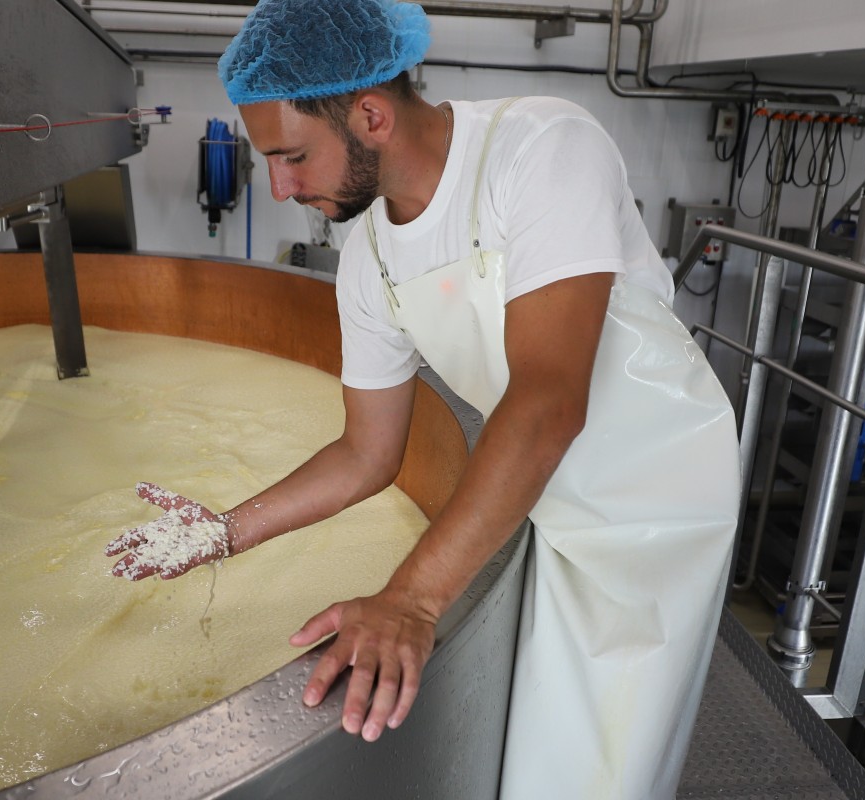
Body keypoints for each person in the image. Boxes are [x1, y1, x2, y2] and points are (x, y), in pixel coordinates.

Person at [105, 0, 739, 796]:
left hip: (651, 499)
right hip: (536, 492)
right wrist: (227, 531)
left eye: (293, 156)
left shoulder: (541, 148)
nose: (281, 186)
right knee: (534, 752)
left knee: (605, 767)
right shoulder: (369, 256)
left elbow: (548, 400)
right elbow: (365, 452)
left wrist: (410, 600)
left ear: (371, 116)